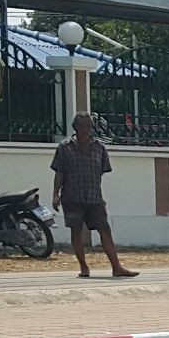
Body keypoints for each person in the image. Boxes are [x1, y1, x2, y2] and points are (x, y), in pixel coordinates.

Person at [51, 114, 135, 279]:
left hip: (94, 197)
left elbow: (102, 171)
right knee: (76, 231)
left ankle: (116, 267)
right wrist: (55, 194)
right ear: (75, 128)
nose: (85, 130)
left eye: (88, 126)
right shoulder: (64, 147)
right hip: (72, 197)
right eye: (82, 126)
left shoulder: (99, 147)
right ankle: (83, 266)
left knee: (104, 229)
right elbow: (59, 172)